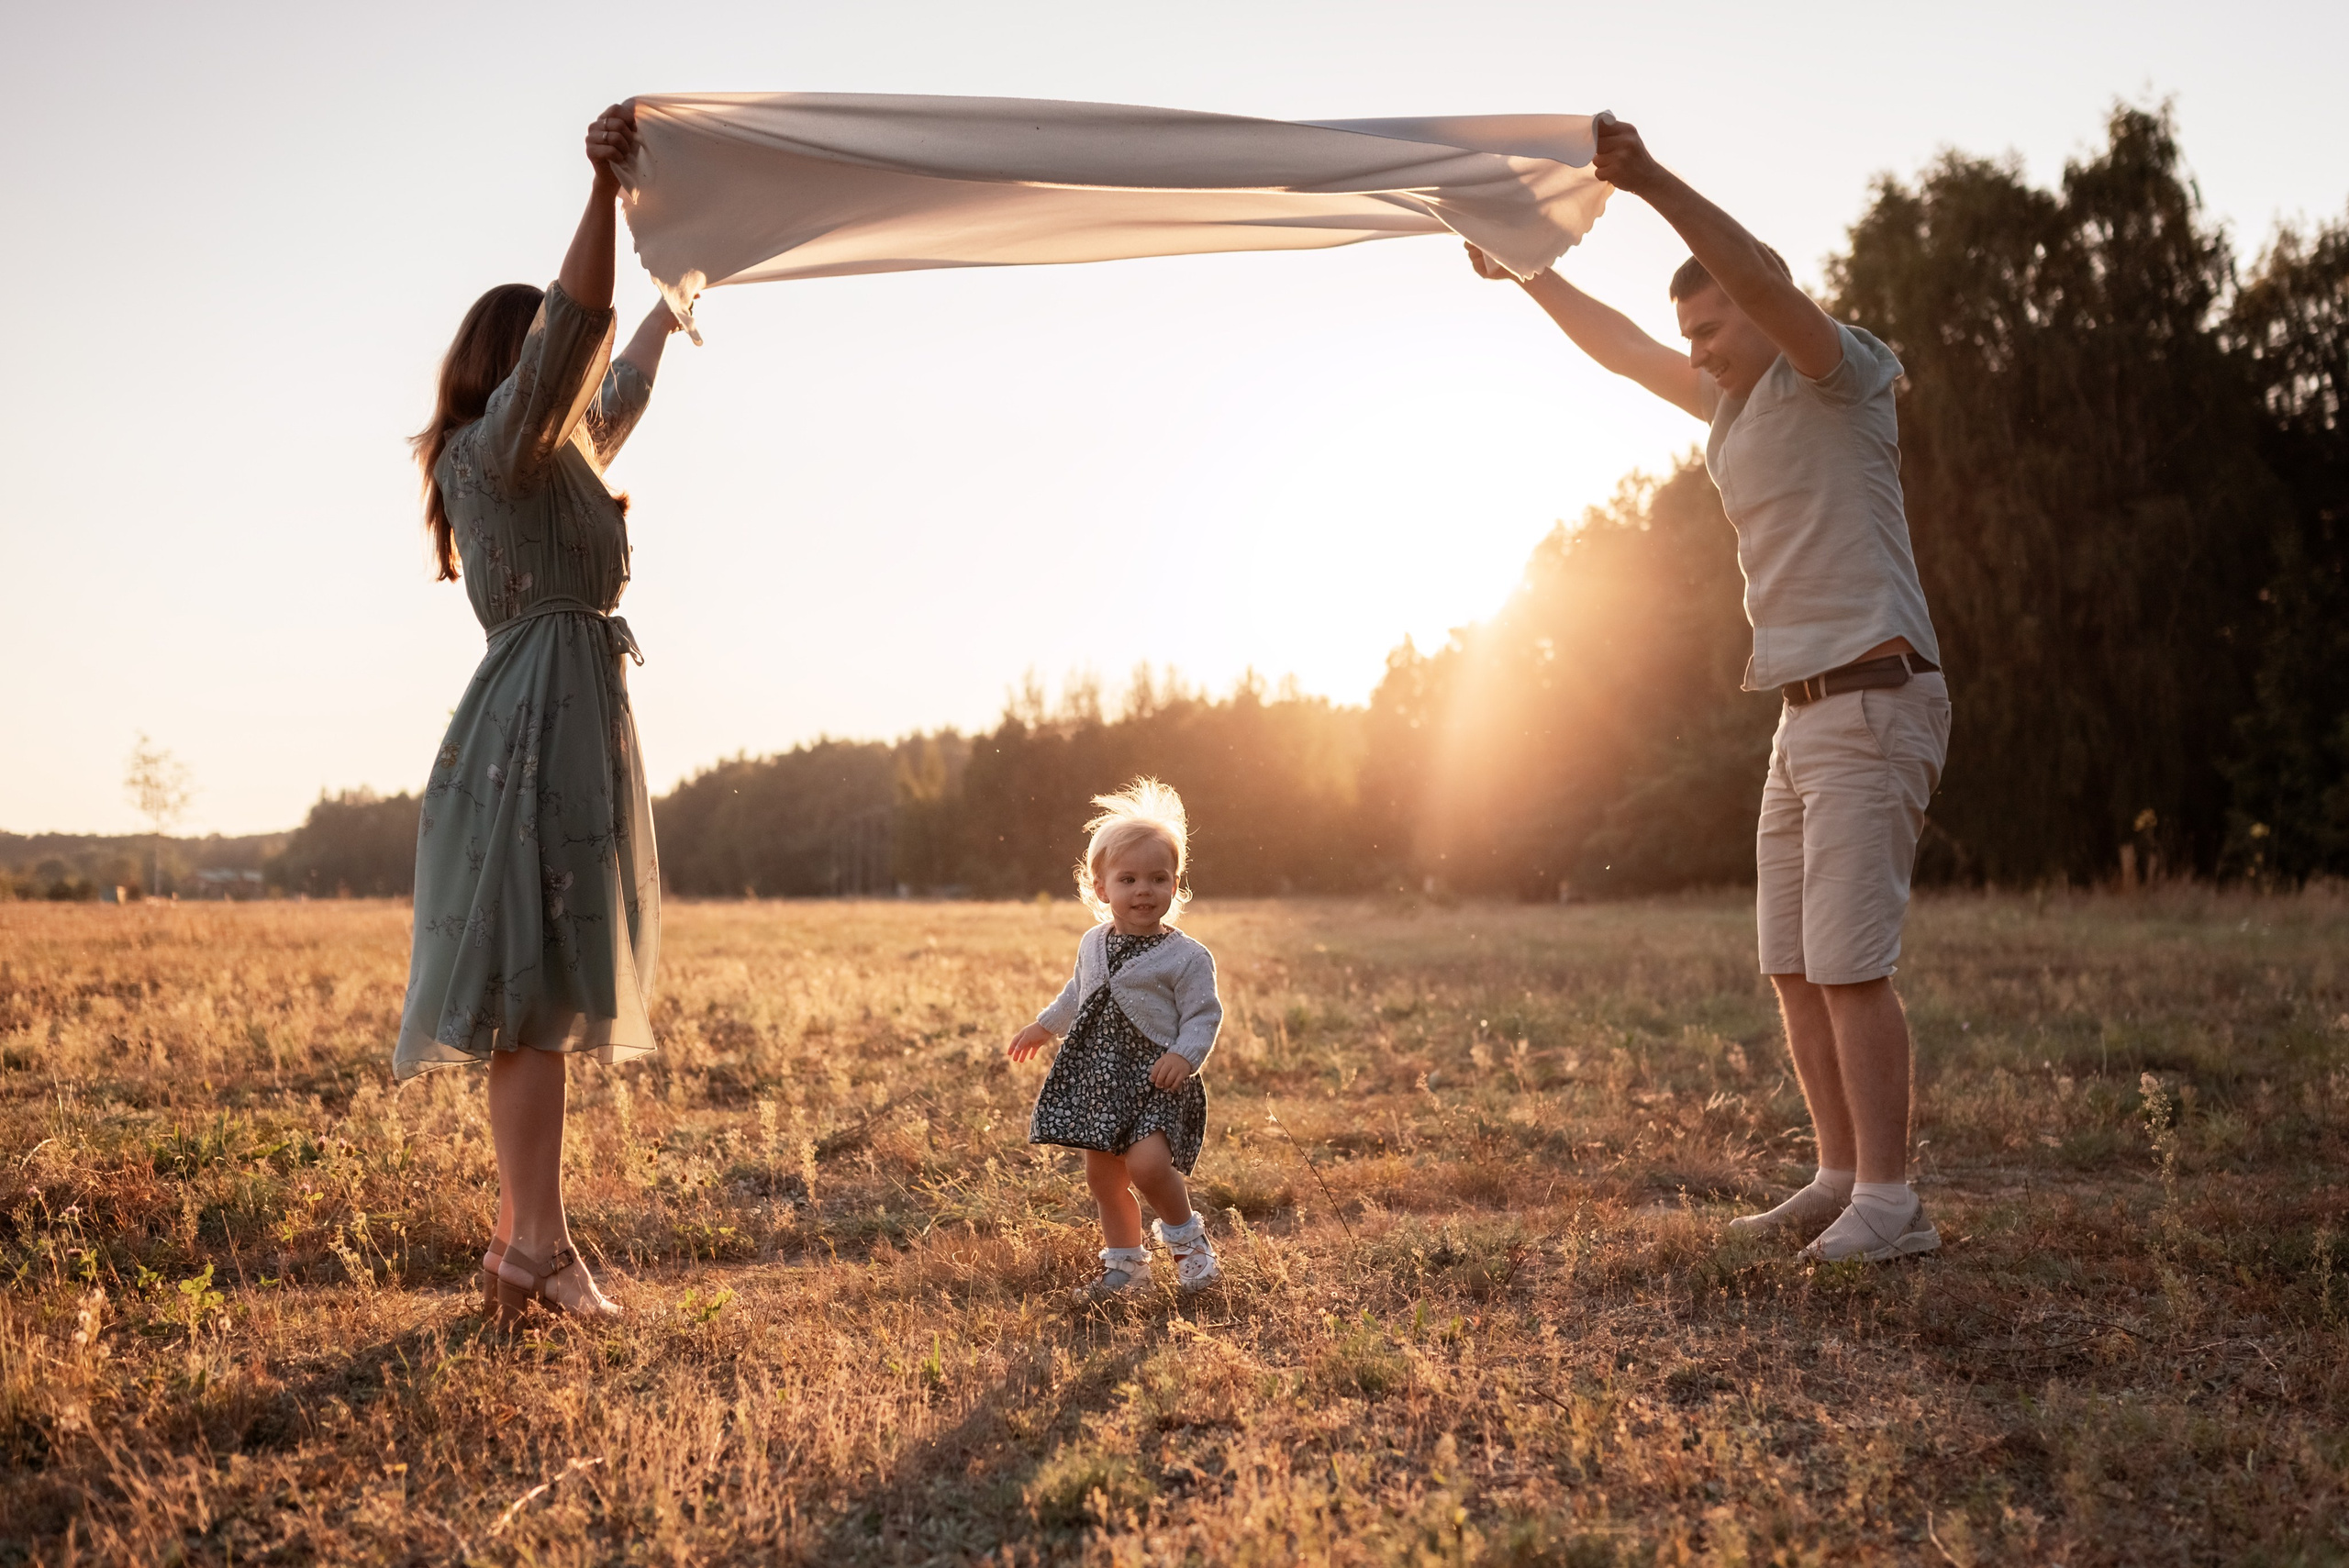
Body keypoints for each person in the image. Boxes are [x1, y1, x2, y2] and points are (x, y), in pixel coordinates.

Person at [1466, 114, 1948, 1262]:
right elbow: (1627, 348)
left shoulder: (1838, 373)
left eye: (1712, 322)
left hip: (1875, 694)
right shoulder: (1731, 408)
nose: (1698, 347)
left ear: (1757, 300)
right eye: (1693, 330)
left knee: (1849, 964)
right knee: (1791, 964)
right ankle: (1839, 1175)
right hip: (1798, 707)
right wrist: (1527, 272)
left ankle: (1893, 1201)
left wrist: (1646, 182)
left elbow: (1758, 281)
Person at [395, 103, 689, 1321]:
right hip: (532, 725)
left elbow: (610, 388)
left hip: (564, 715)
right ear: (504, 367)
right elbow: (576, 339)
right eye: (535, 366)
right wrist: (603, 201)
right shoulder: (494, 449)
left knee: (548, 994)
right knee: (532, 992)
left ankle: (531, 1247)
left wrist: (672, 309)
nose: (553, 385)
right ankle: (538, 1249)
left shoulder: (549, 450)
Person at [1009, 780, 1227, 1299]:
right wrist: (1045, 1026)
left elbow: (1203, 1014)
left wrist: (1184, 1055)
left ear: (1176, 884)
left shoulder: (1187, 957)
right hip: (1099, 1078)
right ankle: (1127, 1269)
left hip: (1156, 1077)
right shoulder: (1093, 942)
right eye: (1127, 879)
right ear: (1101, 887)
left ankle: (1190, 1247)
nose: (1143, 891)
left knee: (1149, 1165)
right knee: (1104, 1178)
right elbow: (1078, 993)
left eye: (1158, 878)